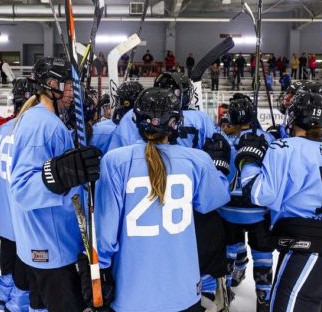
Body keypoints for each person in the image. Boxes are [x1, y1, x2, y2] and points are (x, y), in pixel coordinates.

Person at [91, 87, 231, 312]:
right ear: (175, 122)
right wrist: (220, 168)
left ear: (136, 119)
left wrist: (100, 271)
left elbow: (105, 235)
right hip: (182, 290)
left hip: (132, 292)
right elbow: (213, 200)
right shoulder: (197, 161)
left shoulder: (115, 161)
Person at [235, 90, 322, 312]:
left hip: (306, 255)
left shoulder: (283, 149)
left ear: (293, 116)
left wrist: (248, 160)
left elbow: (260, 194)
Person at [9, 56, 101, 312]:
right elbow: (23, 190)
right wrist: (60, 174)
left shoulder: (41, 119)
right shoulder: (43, 124)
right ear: (53, 85)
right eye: (70, 85)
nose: (74, 92)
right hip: (51, 245)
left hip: (43, 242)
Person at [218, 93, 275, 311]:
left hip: (227, 208)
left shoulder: (220, 137)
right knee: (263, 253)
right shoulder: (266, 139)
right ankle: (264, 296)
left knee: (229, 249)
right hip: (258, 208)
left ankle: (227, 288)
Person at [0, 78, 36, 312]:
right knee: (24, 255)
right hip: (23, 209)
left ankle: (1, 292)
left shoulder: (3, 129)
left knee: (7, 248)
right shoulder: (34, 128)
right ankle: (18, 297)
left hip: (3, 210)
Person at [108, 72, 216, 151]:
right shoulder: (200, 118)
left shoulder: (133, 114)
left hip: (139, 170)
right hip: (188, 173)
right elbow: (216, 149)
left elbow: (116, 149)